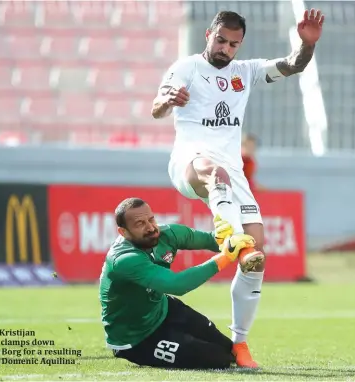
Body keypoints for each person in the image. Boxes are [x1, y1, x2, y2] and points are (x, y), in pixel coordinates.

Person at [151, 8, 324, 368]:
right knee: (215, 174)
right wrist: (167, 100)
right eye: (221, 40)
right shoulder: (185, 68)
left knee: (257, 259)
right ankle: (228, 234)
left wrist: (306, 45)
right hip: (190, 162)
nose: (226, 48)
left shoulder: (244, 72)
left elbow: (293, 65)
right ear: (208, 36)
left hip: (232, 173)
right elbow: (157, 107)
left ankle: (239, 344)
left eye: (233, 44)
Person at [99, 197, 257, 369]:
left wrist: (225, 237)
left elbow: (210, 240)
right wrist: (225, 257)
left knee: (227, 348)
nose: (151, 227)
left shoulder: (168, 234)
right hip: (135, 338)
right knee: (218, 359)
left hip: (162, 309)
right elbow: (177, 285)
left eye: (151, 219)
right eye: (140, 224)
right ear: (123, 232)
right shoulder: (123, 259)